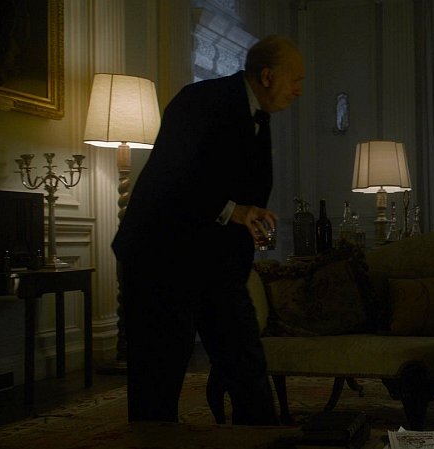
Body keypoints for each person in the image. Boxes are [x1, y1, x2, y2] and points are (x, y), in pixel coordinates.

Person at [112, 35, 305, 424]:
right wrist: (233, 211)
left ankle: (261, 439)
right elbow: (171, 177)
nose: (299, 89)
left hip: (216, 264)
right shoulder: (200, 100)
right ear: (267, 76)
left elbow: (234, 186)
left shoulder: (259, 116)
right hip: (160, 259)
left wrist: (249, 220)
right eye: (296, 79)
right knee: (157, 384)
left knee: (248, 370)